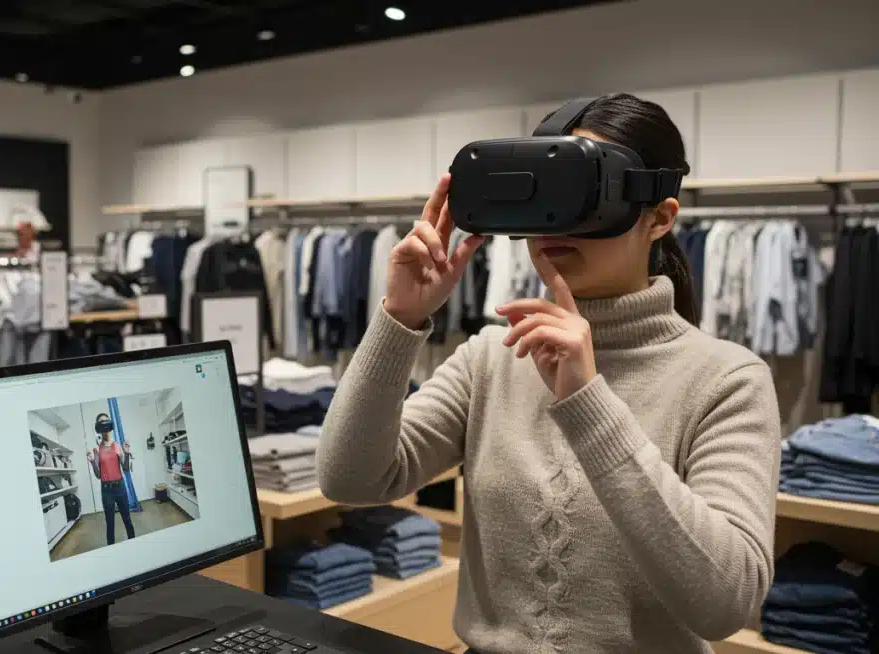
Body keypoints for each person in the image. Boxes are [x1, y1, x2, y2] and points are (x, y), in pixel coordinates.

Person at [316, 93, 782, 653]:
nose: (560, 221)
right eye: (546, 191)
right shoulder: (492, 356)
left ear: (658, 218)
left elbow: (727, 604)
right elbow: (350, 478)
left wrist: (589, 403)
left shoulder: (728, 380)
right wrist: (400, 320)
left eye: (589, 192)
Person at [87, 412, 136, 545]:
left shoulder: (117, 446)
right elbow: (98, 475)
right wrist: (92, 462)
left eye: (106, 421)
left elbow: (125, 469)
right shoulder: (97, 449)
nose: (105, 424)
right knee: (110, 524)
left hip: (120, 488)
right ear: (98, 427)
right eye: (101, 422)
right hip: (106, 491)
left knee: (127, 520)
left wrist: (126, 452)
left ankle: (134, 546)